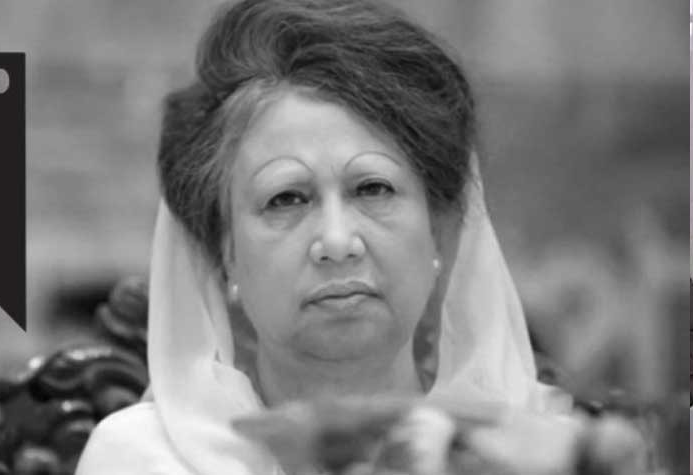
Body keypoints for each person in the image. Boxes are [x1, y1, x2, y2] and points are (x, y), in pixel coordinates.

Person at [76, 0, 571, 473]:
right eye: (286, 199)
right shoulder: (147, 458)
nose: (337, 243)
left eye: (373, 189)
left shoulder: (543, 451)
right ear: (225, 253)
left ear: (439, 231)